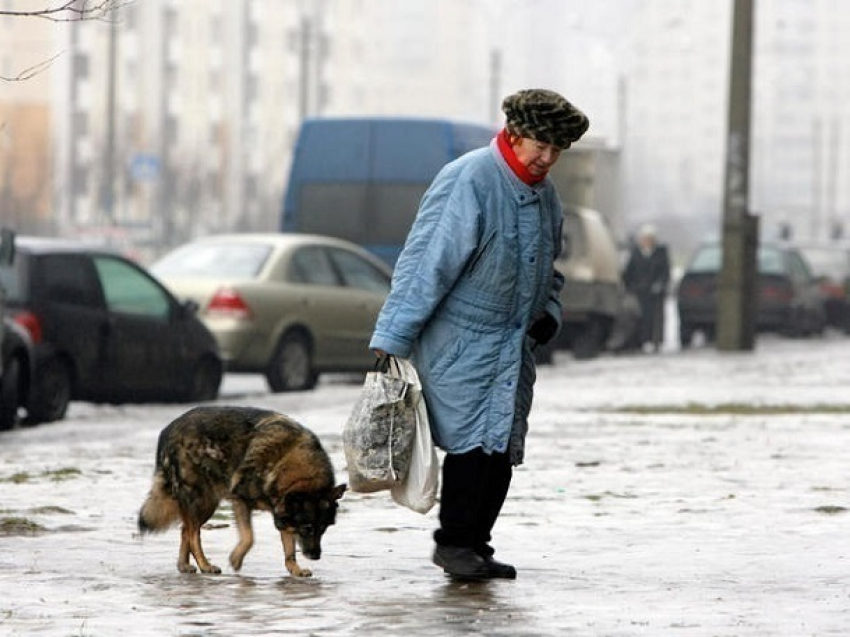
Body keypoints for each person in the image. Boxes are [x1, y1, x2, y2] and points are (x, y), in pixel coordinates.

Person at [369, 88, 589, 581]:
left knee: (500, 450)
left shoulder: (545, 196)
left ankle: (477, 544)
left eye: (557, 151)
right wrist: (392, 337)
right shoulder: (469, 179)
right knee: (471, 447)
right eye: (540, 146)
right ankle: (454, 546)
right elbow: (427, 263)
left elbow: (550, 270)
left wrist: (549, 312)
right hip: (461, 339)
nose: (547, 158)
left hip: (513, 344)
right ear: (514, 134)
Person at [623, 224, 671, 352]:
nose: (646, 241)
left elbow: (665, 272)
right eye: (644, 239)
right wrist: (631, 287)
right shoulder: (636, 253)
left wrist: (660, 284)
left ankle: (656, 341)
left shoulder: (661, 252)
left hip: (656, 293)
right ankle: (642, 341)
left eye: (649, 239)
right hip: (640, 291)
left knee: (656, 319)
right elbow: (629, 272)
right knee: (641, 317)